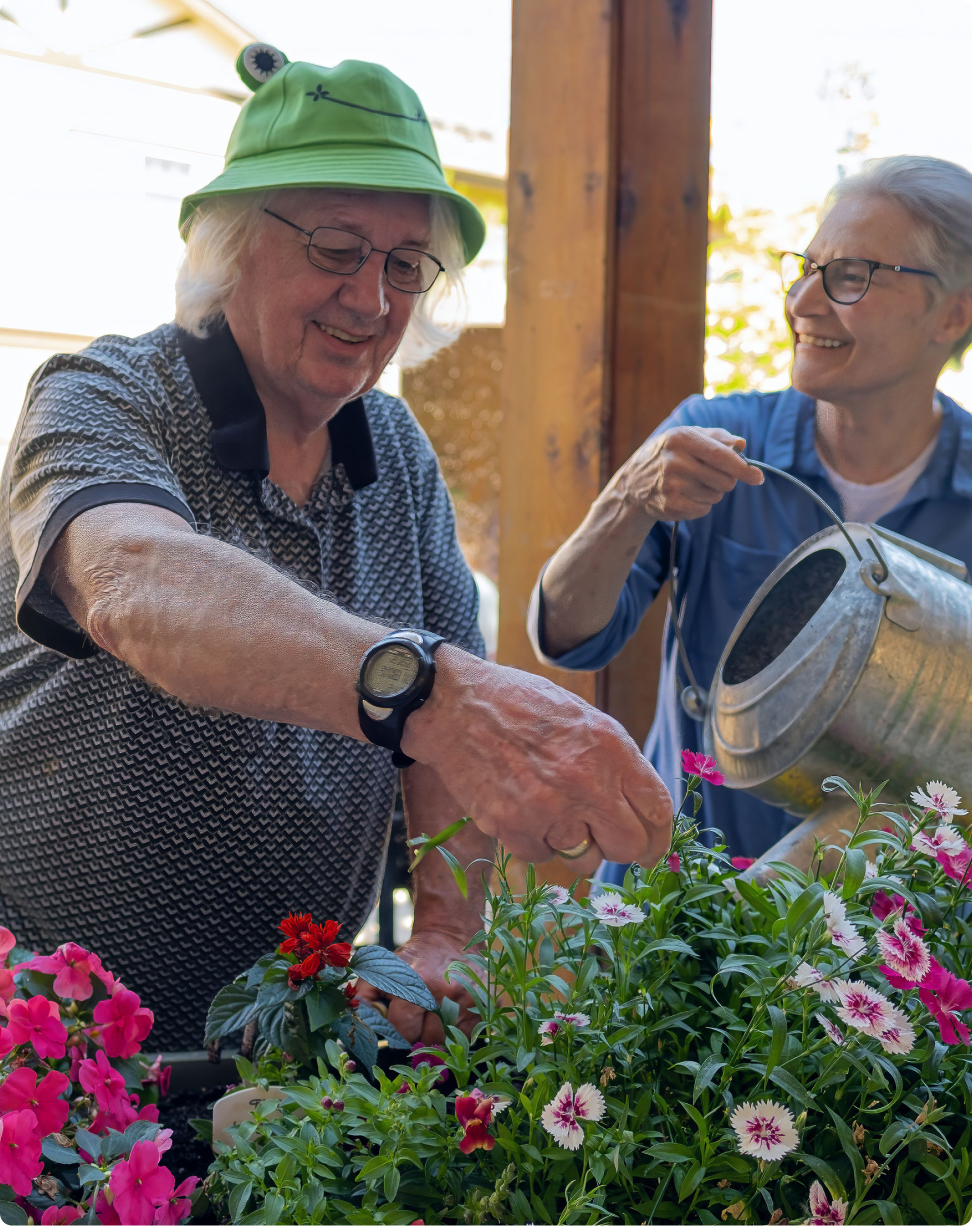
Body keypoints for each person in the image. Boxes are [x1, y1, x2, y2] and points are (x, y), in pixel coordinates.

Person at [0, 47, 672, 1051]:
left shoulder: (394, 449)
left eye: (406, 265)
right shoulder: (104, 394)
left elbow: (445, 725)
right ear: (232, 244)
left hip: (295, 1042)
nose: (372, 298)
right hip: (54, 1052)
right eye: (335, 246)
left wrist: (447, 930)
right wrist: (434, 693)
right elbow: (131, 582)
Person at [532, 154, 972, 870]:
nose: (803, 301)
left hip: (888, 957)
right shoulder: (717, 440)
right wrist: (626, 501)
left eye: (851, 275)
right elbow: (570, 635)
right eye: (805, 268)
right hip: (673, 925)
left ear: (953, 312)